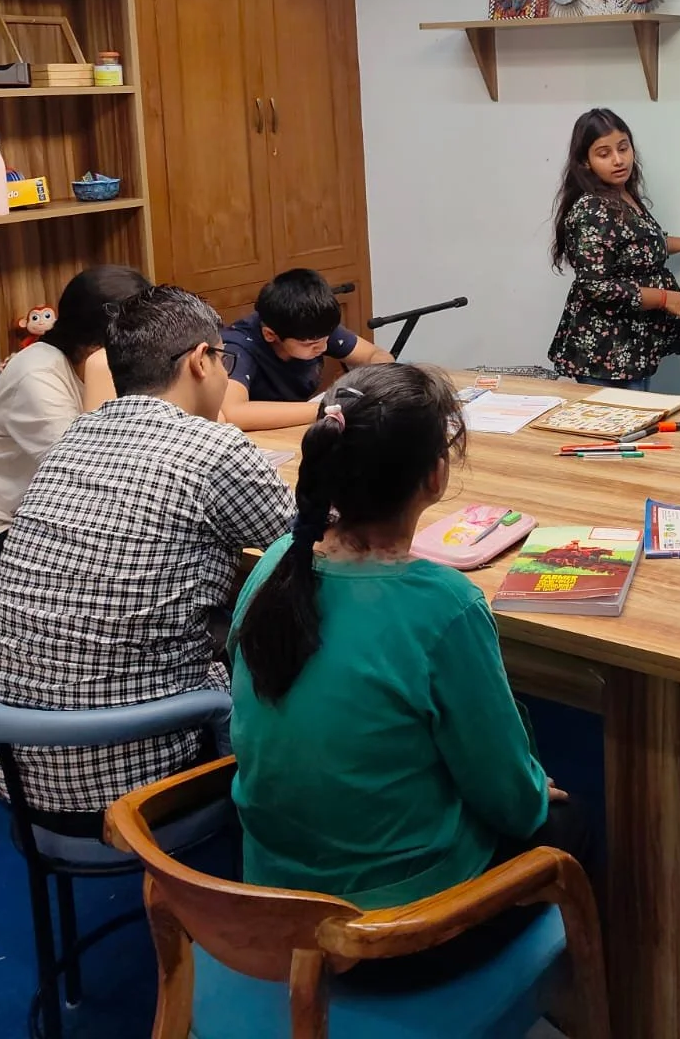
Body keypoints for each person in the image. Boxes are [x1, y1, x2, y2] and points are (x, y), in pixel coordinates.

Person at [229, 364, 586, 955]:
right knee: (568, 825)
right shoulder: (443, 605)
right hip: (396, 929)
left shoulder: (273, 565)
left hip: (268, 899)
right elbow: (510, 800)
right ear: (435, 476)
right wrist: (531, 788)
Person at [0, 286, 293, 826]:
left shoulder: (77, 436)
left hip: (20, 767)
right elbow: (312, 547)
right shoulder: (214, 448)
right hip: (138, 773)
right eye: (222, 358)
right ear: (202, 361)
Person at [548, 108, 680, 390]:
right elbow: (596, 286)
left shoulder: (622, 194)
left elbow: (635, 245)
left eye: (623, 148)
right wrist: (664, 298)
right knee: (617, 431)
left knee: (637, 426)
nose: (619, 160)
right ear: (585, 162)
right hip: (606, 352)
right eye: (604, 153)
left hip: (632, 346)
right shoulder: (591, 210)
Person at [0, 263, 147, 562]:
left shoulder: (105, 363)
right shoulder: (35, 374)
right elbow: (90, 476)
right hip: (11, 526)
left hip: (66, 518)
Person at [221, 268, 393, 431]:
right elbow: (232, 413)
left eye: (326, 339)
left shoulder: (315, 328)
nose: (324, 347)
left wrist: (374, 386)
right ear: (270, 335)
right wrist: (329, 407)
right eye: (311, 344)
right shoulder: (238, 347)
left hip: (297, 426)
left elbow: (375, 355)